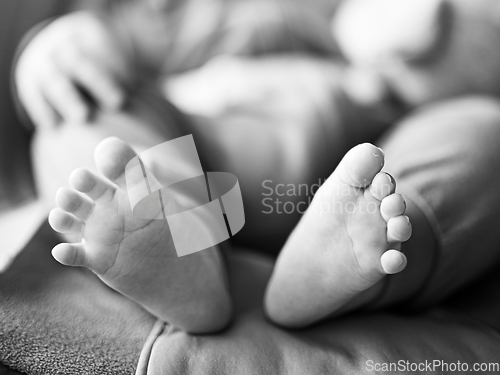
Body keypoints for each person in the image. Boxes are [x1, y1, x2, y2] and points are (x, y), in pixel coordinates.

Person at [14, 0, 500, 331]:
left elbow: (464, 56)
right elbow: (87, 47)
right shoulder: (150, 17)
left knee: (485, 128)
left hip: (365, 162)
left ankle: (334, 272)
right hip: (191, 170)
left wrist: (430, 32)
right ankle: (185, 260)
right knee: (82, 116)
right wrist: (54, 48)